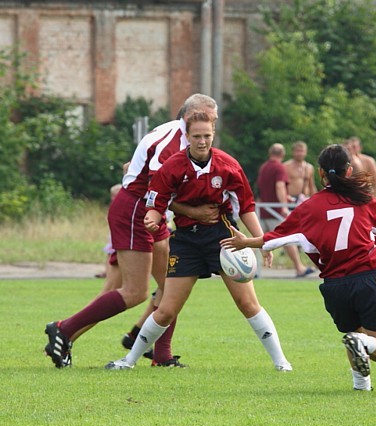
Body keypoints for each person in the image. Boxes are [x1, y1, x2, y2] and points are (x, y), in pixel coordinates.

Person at [105, 112, 292, 371]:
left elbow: (246, 205)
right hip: (186, 241)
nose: (202, 141)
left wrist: (260, 241)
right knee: (166, 309)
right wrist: (152, 217)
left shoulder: (228, 165)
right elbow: (156, 202)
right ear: (187, 137)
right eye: (196, 136)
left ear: (213, 134)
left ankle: (281, 362)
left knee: (247, 303)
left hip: (222, 239)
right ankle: (129, 361)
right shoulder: (173, 166)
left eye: (207, 135)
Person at [44, 94, 220, 369]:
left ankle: (161, 354)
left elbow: (135, 167)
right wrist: (196, 211)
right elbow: (155, 192)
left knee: (171, 285)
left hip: (151, 212)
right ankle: (64, 329)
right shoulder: (172, 144)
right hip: (136, 211)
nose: (209, 128)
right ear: (188, 118)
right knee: (135, 292)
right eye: (207, 119)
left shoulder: (177, 135)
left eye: (213, 121)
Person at [222, 143, 376, 391]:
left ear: (321, 173)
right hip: (367, 277)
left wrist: (246, 242)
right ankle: (362, 344)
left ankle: (361, 385)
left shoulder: (308, 208)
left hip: (335, 287)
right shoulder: (364, 199)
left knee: (353, 332)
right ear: (349, 171)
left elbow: (276, 237)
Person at [257, 143, 314, 278]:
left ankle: (255, 269)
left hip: (263, 209)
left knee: (259, 240)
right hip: (274, 209)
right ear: (282, 155)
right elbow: (280, 186)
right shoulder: (281, 167)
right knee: (287, 238)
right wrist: (283, 205)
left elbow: (260, 187)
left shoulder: (264, 167)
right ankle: (299, 267)